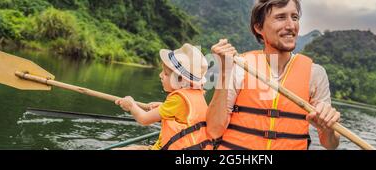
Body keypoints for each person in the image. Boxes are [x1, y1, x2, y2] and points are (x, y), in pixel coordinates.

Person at [206, 0, 341, 150]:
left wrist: (328, 128)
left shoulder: (315, 74)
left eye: (294, 17)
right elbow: (214, 130)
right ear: (259, 27)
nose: (291, 26)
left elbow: (330, 144)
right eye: (281, 17)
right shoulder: (240, 67)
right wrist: (225, 72)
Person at [115, 43, 212, 150]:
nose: (160, 75)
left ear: (181, 80)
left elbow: (144, 119)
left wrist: (131, 105)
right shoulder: (197, 95)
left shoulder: (178, 99)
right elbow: (185, 116)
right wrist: (163, 106)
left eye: (166, 74)